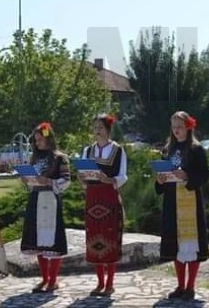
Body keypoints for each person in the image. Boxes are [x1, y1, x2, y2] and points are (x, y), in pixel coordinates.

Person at [155, 111, 209, 302]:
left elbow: (204, 175)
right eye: (173, 126)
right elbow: (161, 172)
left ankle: (190, 286)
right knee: (176, 243)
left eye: (179, 126)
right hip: (172, 201)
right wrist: (160, 180)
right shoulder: (167, 149)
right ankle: (179, 285)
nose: (176, 130)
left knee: (191, 244)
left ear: (188, 127)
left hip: (190, 200)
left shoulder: (196, 150)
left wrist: (186, 176)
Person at [79, 113, 128, 297]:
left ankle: (110, 283)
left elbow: (123, 176)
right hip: (92, 198)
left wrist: (107, 179)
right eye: (95, 128)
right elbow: (82, 175)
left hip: (109, 198)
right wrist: (82, 177)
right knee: (94, 238)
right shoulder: (87, 151)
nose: (97, 131)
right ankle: (99, 282)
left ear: (108, 130)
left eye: (100, 128)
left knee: (110, 238)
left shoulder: (118, 150)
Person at [20, 122, 70, 293]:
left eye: (40, 140)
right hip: (35, 199)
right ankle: (44, 278)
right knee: (38, 241)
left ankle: (53, 280)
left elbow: (66, 180)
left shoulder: (59, 158)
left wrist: (49, 181)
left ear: (48, 138)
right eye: (36, 141)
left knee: (51, 240)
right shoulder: (33, 158)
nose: (38, 143)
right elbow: (29, 181)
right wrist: (26, 180)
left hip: (50, 200)